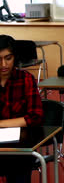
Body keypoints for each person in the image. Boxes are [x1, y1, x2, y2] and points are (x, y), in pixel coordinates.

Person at [0, 35, 43, 183]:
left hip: (20, 148)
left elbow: (35, 116)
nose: (3, 64)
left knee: (19, 167)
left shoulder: (25, 79)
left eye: (8, 58)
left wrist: (1, 124)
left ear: (15, 58)